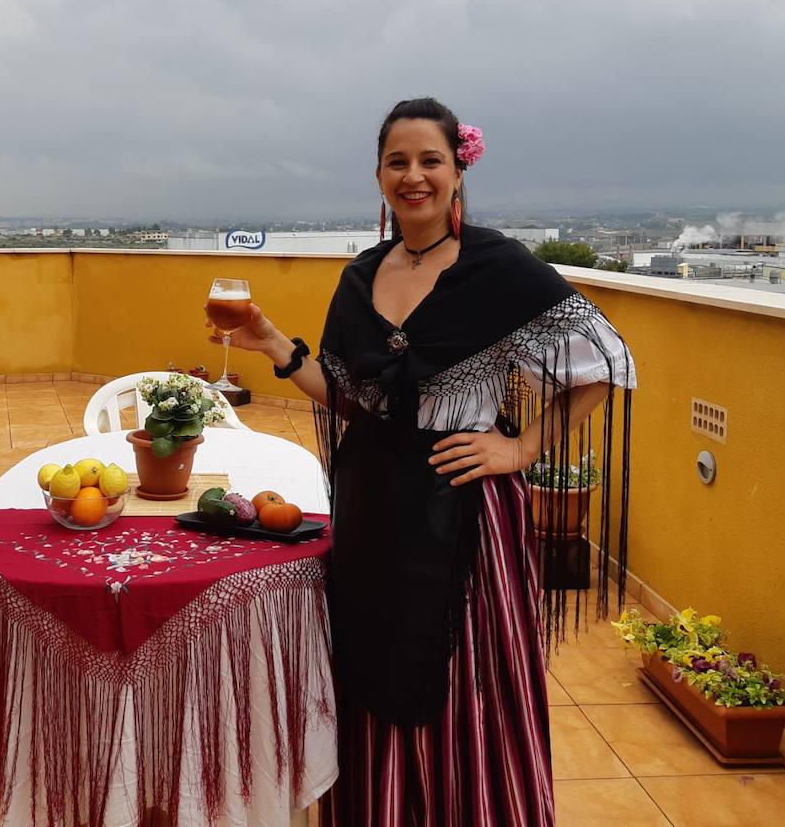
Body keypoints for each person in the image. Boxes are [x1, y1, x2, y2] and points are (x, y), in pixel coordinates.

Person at [212, 98, 637, 825]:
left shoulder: (498, 267)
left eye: (430, 160)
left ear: (458, 169)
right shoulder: (361, 275)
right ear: (379, 174)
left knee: (461, 683)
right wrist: (276, 344)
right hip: (374, 507)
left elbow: (607, 362)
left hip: (464, 513)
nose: (414, 176)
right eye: (398, 161)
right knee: (372, 666)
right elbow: (352, 398)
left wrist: (522, 446)